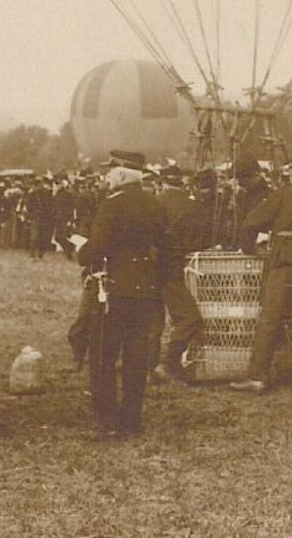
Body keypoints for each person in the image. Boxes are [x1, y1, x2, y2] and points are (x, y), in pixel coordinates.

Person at [82, 151, 171, 435]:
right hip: (144, 287)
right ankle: (131, 420)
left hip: (115, 286)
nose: (106, 176)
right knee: (136, 355)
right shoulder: (155, 204)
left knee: (104, 354)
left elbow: (95, 249)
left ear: (121, 174)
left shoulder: (111, 205)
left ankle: (107, 419)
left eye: (111, 171)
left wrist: (80, 251)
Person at [231, 154, 292, 393]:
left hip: (283, 258)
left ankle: (258, 376)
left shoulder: (283, 193)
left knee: (271, 316)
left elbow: (252, 221)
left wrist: (249, 248)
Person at [149, 164, 205, 383]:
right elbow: (198, 240)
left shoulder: (153, 203)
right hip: (174, 268)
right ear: (181, 182)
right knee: (189, 318)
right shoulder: (193, 206)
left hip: (151, 267)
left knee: (153, 322)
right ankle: (169, 363)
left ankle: (150, 367)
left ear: (161, 182)